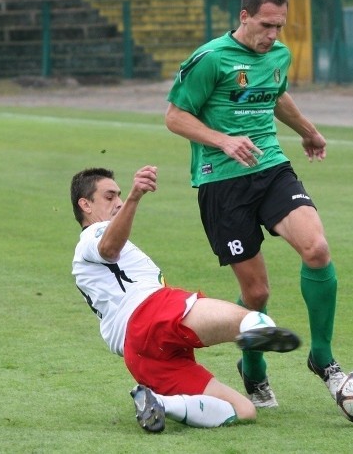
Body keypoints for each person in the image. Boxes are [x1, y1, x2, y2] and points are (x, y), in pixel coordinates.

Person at [164, 0, 345, 408]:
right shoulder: (210, 59)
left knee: (317, 249)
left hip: (271, 168)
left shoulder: (278, 55)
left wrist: (309, 132)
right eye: (266, 25)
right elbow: (174, 116)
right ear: (244, 16)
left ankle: (322, 358)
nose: (273, 35)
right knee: (257, 293)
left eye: (279, 26)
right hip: (220, 182)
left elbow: (275, 95)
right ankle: (255, 368)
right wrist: (223, 140)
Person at [70, 165, 301, 433]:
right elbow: (108, 248)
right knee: (252, 319)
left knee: (244, 411)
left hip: (142, 355)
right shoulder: (92, 236)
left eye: (120, 195)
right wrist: (135, 197)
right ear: (85, 204)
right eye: (110, 197)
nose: (118, 202)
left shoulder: (89, 251)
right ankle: (254, 334)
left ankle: (161, 404)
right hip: (150, 313)